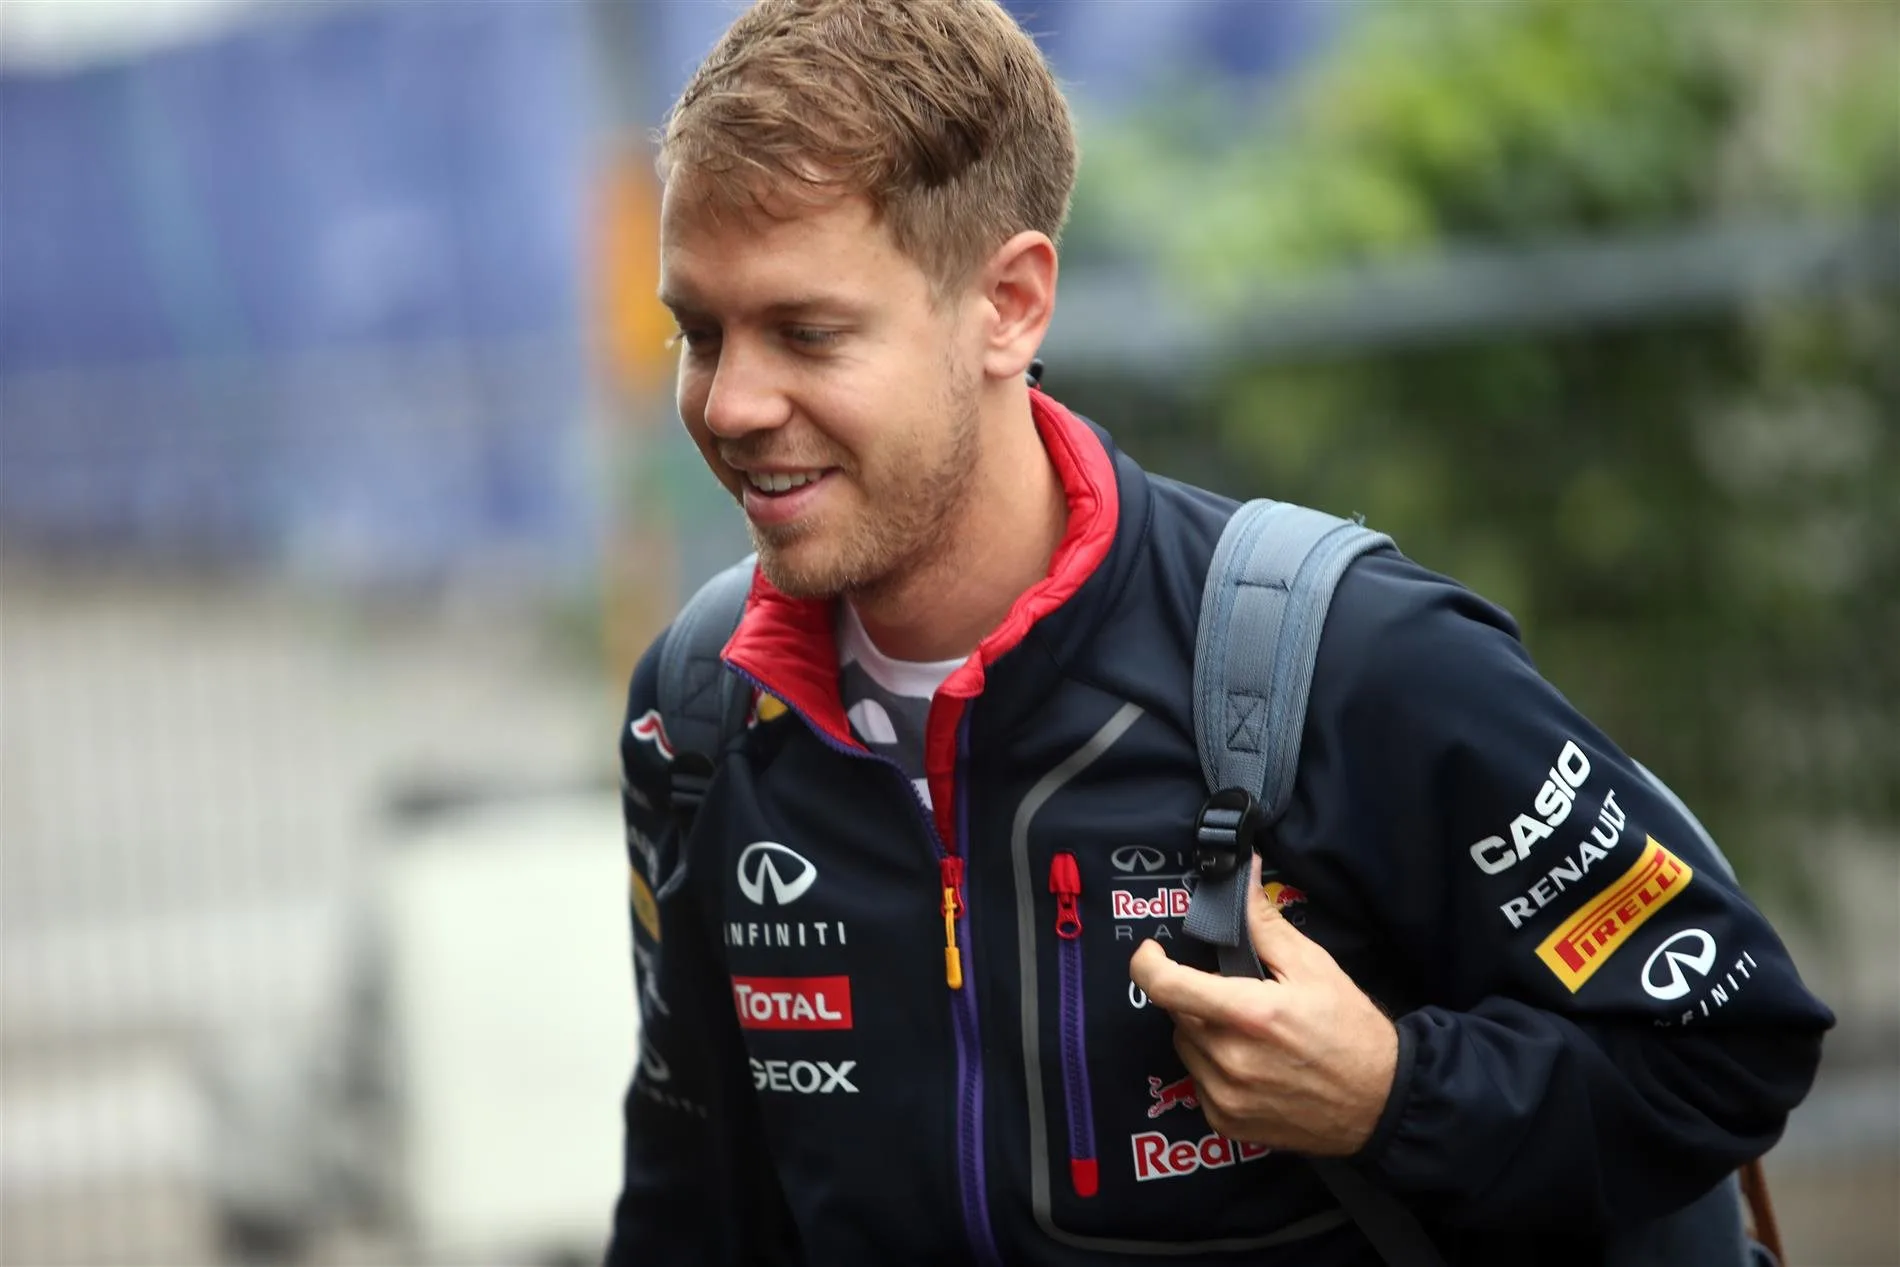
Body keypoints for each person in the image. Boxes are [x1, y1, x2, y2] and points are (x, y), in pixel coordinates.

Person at [605, 2, 1833, 1264]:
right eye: (700, 331)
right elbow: (694, 1203)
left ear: (1010, 304)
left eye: (808, 332)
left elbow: (1725, 1039)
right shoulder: (699, 716)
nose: (734, 402)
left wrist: (1393, 1096)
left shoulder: (1343, 658)